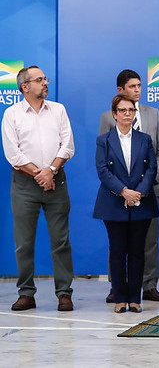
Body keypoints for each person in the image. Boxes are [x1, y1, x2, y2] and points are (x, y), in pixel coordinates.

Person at [2, 66, 75, 312]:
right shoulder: (11, 114)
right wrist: (40, 174)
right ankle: (26, 293)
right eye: (40, 80)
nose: (45, 83)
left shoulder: (58, 110)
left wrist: (51, 171)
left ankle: (64, 293)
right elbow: (13, 154)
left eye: (45, 79)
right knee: (23, 243)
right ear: (25, 86)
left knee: (61, 241)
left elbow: (68, 145)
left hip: (56, 181)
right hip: (24, 185)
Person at [99, 69, 159, 303]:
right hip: (118, 192)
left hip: (148, 189)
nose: (137, 90)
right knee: (117, 243)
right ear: (120, 90)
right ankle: (116, 287)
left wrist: (147, 183)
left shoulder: (154, 113)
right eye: (132, 86)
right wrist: (122, 189)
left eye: (139, 86)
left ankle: (149, 285)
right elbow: (105, 156)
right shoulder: (107, 117)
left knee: (149, 240)